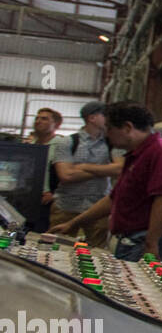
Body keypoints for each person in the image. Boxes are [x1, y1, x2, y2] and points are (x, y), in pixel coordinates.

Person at [50, 102, 162, 263]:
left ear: (127, 128)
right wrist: (73, 223)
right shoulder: (136, 155)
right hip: (134, 239)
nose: (106, 134)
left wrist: (151, 243)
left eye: (109, 128)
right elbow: (113, 199)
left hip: (147, 240)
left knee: (140, 286)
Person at [48, 101, 122, 249]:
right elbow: (66, 176)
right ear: (92, 118)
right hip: (66, 207)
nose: (109, 119)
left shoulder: (112, 143)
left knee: (96, 253)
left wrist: (84, 167)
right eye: (105, 115)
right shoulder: (67, 142)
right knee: (58, 248)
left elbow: (120, 170)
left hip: (98, 209)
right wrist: (104, 170)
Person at [23, 107, 69, 232]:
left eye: (44, 119)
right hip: (26, 199)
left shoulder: (62, 145)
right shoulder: (30, 146)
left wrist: (54, 194)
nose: (38, 121)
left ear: (56, 124)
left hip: (47, 202)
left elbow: (67, 173)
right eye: (37, 118)